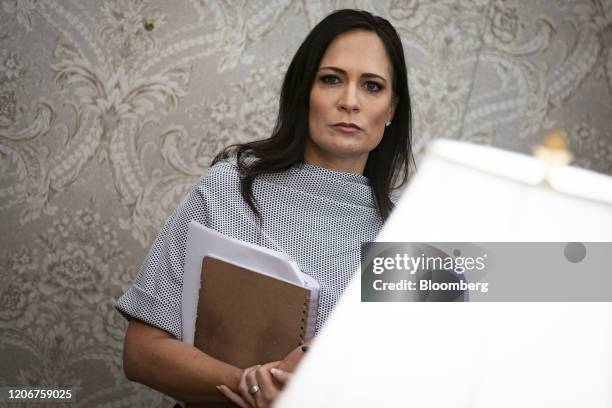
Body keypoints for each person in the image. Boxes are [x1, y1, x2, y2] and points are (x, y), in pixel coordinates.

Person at [115, 8, 413, 408]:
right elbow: (141, 353)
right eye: (330, 80)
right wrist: (251, 384)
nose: (349, 102)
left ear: (392, 109)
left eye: (372, 86)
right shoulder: (228, 188)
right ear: (302, 93)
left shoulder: (403, 240)